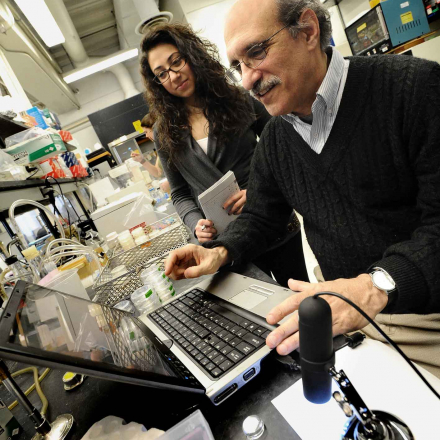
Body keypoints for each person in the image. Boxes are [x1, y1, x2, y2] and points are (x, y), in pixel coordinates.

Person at [164, 0, 440, 376]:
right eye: (238, 66)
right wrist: (221, 251)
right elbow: (261, 215)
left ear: (308, 31)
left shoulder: (413, 89)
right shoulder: (278, 139)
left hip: (420, 316)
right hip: (340, 313)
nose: (247, 79)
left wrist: (372, 287)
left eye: (256, 52)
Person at [139, 22, 309, 287]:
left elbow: (285, 148)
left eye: (176, 62)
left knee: (303, 299)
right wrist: (195, 223)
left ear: (192, 55)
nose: (172, 76)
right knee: (262, 315)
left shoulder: (239, 100)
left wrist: (260, 190)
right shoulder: (165, 132)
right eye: (161, 73)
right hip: (225, 240)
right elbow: (180, 192)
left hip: (274, 222)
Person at [131, 113, 164, 179]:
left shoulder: (172, 145)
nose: (146, 136)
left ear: (154, 129)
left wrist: (168, 183)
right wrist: (141, 160)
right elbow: (158, 172)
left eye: (146, 132)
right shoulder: (160, 148)